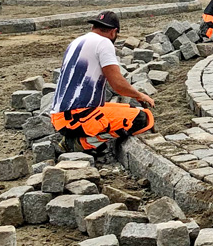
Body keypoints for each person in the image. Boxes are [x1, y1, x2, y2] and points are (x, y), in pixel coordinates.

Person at [50, 10, 155, 153]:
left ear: (93, 27)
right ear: (113, 32)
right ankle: (82, 142)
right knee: (142, 118)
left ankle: (75, 138)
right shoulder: (104, 43)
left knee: (131, 109)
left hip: (63, 117)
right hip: (76, 118)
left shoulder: (76, 41)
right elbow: (117, 84)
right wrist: (140, 95)